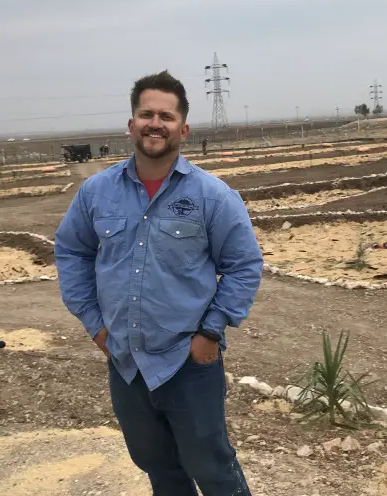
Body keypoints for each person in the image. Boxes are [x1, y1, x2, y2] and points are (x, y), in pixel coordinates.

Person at [55, 70, 263, 496]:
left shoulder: (212, 196)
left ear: (182, 129)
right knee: (157, 466)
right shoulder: (96, 192)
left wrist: (210, 332)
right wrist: (95, 325)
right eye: (146, 114)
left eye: (166, 116)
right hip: (125, 360)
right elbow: (72, 252)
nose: (155, 123)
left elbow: (244, 265)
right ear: (131, 124)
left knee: (212, 467)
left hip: (188, 361)